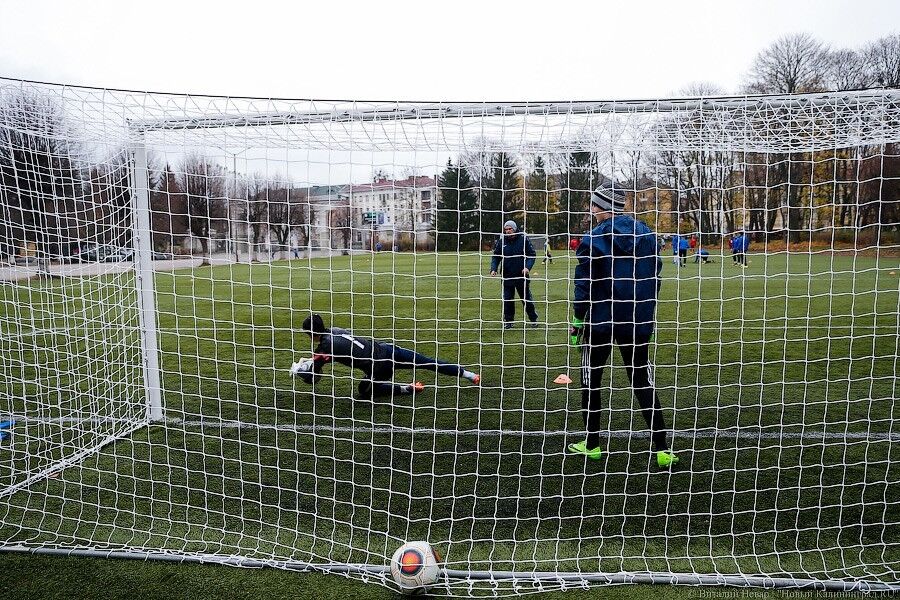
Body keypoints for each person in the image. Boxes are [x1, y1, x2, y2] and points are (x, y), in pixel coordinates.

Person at [567, 184, 678, 469]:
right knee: (642, 380)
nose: (591, 209)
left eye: (593, 204)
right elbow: (655, 277)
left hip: (600, 321)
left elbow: (584, 285)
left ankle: (592, 445)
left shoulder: (593, 239)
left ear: (599, 207)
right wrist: (646, 314)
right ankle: (662, 449)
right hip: (636, 321)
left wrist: (578, 319)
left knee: (591, 379)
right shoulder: (647, 236)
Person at [291, 313, 480, 399]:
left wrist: (302, 370)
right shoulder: (335, 330)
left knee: (364, 391)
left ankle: (407, 389)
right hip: (388, 349)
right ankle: (470, 375)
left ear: (310, 334)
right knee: (428, 362)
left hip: (379, 367)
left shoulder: (324, 348)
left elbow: (313, 377)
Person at [490, 220, 539, 329]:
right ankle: (508, 321)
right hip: (507, 276)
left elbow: (532, 255)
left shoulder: (523, 239)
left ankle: (533, 319)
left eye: (510, 229)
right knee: (507, 300)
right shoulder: (502, 241)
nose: (508, 231)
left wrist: (527, 267)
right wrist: (493, 269)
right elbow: (496, 256)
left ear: (515, 229)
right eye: (506, 229)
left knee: (526, 299)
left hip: (521, 276)